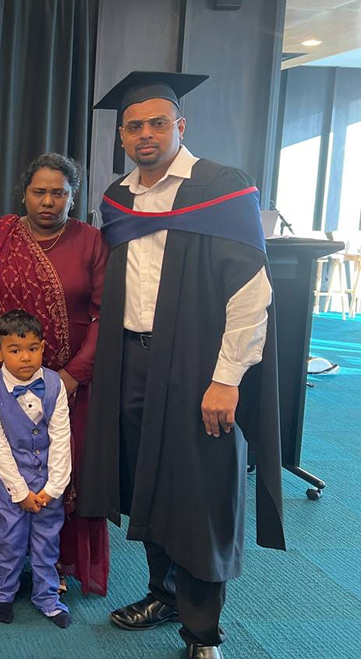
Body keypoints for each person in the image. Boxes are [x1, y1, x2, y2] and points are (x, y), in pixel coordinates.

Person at [79, 71, 285, 659]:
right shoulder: (119, 198)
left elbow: (251, 294)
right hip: (132, 360)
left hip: (199, 365)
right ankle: (163, 593)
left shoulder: (221, 187)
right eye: (134, 126)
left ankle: (201, 630)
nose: (146, 134)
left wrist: (226, 379)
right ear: (122, 135)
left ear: (181, 125)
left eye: (158, 123)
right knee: (148, 477)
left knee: (199, 489)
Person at [0, 153, 110, 597]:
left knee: (61, 465)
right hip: (2, 380)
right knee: (4, 461)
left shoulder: (90, 241)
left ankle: (57, 560)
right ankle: (2, 557)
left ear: (73, 196)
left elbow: (104, 314)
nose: (48, 201)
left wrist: (74, 375)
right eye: (39, 192)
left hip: (67, 383)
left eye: (58, 193)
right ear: (23, 194)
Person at [0, 310, 72, 627]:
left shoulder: (55, 384)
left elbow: (61, 437)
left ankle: (47, 597)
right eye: (15, 350)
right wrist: (19, 492)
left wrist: (53, 487)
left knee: (48, 539)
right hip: (10, 479)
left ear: (43, 347)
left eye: (33, 348)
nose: (25, 357)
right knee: (11, 536)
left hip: (48, 476)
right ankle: (1, 593)